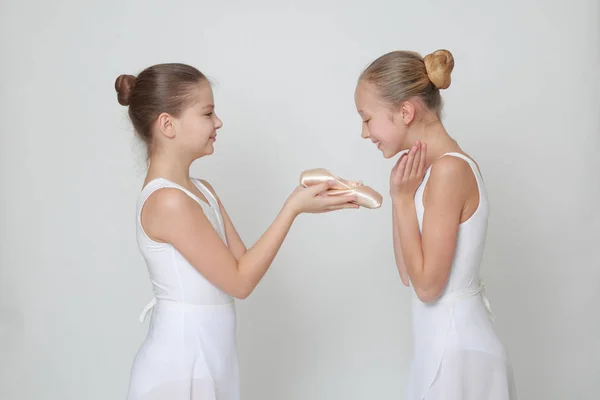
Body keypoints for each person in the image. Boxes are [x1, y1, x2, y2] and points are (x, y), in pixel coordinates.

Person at [115, 63, 358, 400]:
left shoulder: (203, 191)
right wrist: (292, 208)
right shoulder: (168, 202)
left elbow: (243, 263)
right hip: (180, 368)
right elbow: (239, 283)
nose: (218, 122)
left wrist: (299, 204)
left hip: (210, 360)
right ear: (167, 125)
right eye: (207, 112)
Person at [354, 50, 516, 399]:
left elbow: (428, 288)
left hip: (459, 356)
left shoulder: (448, 171)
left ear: (406, 112)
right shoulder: (427, 174)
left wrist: (400, 200)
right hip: (439, 350)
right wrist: (400, 197)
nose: (364, 133)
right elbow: (408, 274)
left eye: (367, 119)